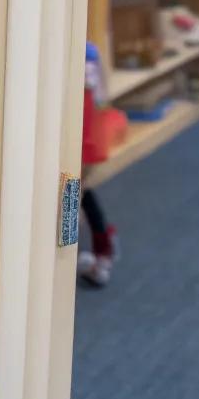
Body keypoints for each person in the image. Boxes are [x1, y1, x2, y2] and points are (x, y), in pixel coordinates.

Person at [78, 41, 122, 287]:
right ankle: (103, 247)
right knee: (79, 191)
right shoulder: (91, 52)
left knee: (76, 192)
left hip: (82, 140)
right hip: (88, 138)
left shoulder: (83, 55)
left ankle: (103, 252)